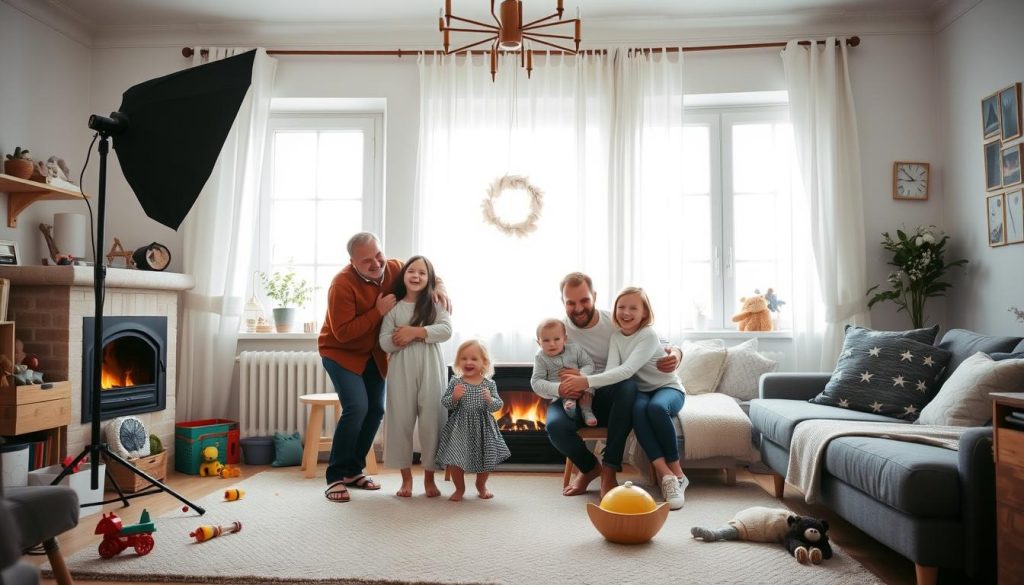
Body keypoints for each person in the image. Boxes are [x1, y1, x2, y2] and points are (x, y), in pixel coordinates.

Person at [318, 232, 448, 503]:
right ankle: (335, 476)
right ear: (352, 261)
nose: (377, 263)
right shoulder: (341, 285)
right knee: (357, 407)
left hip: (374, 354)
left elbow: (426, 272)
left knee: (376, 409)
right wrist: (376, 312)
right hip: (342, 353)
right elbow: (342, 333)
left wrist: (440, 288)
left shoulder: (393, 268)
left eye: (379, 255)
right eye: (367, 261)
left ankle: (354, 471)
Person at [547, 272, 681, 498]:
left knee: (628, 386)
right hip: (574, 396)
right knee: (554, 426)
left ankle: (609, 471)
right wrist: (564, 384)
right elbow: (544, 369)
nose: (578, 308)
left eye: (584, 300)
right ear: (563, 302)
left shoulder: (616, 320)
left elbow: (658, 341)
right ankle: (590, 469)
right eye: (571, 302)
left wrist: (677, 352)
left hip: (610, 396)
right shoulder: (557, 330)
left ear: (595, 297)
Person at [379, 255, 452, 498]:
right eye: (412, 271)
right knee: (401, 421)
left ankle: (430, 478)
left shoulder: (435, 304)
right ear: (404, 275)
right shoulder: (395, 308)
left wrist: (415, 332)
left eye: (422, 273)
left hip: (432, 368)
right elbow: (384, 342)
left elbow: (446, 330)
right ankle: (406, 478)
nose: (416, 276)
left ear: (429, 278)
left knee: (432, 420)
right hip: (401, 369)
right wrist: (402, 339)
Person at [434, 340, 511, 501]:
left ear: (484, 363)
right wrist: (454, 396)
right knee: (456, 458)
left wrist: (490, 400)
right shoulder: (456, 382)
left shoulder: (489, 384)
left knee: (485, 458)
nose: (468, 362)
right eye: (464, 358)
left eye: (474, 359)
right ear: (458, 362)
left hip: (483, 426)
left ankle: (481, 486)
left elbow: (497, 405)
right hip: (460, 427)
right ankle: (459, 489)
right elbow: (446, 402)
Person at [530, 318, 597, 426]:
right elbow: (536, 381)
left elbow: (589, 364)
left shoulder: (575, 349)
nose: (552, 344)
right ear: (539, 342)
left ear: (564, 339)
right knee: (568, 401)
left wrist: (580, 375)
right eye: (546, 340)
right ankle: (571, 410)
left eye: (557, 339)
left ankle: (587, 412)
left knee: (589, 389)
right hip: (561, 390)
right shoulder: (540, 357)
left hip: (581, 384)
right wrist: (559, 388)